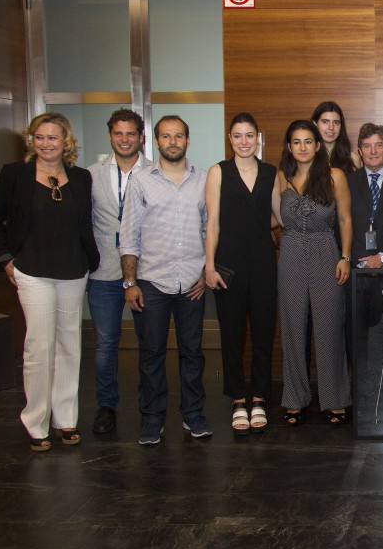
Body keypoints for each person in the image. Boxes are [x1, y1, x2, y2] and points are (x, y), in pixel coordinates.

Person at [0, 112, 100, 452]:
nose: (46, 143)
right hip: (32, 272)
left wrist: (90, 261)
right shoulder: (14, 174)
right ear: (32, 140)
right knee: (39, 347)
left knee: (69, 346)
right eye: (40, 137)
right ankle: (36, 422)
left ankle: (65, 419)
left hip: (73, 271)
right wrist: (6, 260)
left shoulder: (81, 178)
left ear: (66, 141)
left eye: (53, 137)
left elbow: (85, 223)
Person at [119, 115, 210, 445]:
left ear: (188, 140)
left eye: (179, 136)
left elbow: (210, 230)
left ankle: (193, 413)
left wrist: (206, 272)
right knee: (151, 354)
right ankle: (152, 417)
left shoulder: (204, 180)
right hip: (152, 282)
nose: (173, 142)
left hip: (193, 283)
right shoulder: (141, 182)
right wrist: (130, 283)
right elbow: (129, 235)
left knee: (192, 352)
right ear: (155, 141)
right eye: (166, 136)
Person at [274, 120, 354, 426]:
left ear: (318, 146)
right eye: (296, 142)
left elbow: (345, 220)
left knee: (329, 327)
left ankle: (336, 399)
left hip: (326, 251)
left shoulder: (335, 176)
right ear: (289, 146)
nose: (303, 147)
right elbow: (274, 217)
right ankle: (295, 399)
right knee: (292, 328)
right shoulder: (282, 176)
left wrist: (345, 256)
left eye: (308, 141)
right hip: (291, 252)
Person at [205, 113, 279, 436]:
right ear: (230, 139)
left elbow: (279, 216)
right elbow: (212, 222)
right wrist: (209, 266)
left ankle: (259, 397)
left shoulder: (271, 173)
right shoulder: (218, 172)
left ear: (257, 138)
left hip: (263, 263)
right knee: (232, 336)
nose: (244, 141)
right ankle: (237, 399)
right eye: (238, 136)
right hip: (228, 266)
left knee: (263, 334)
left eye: (249, 135)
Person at [87, 109, 147, 435]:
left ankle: (148, 404)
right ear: (110, 135)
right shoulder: (90, 175)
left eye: (130, 133)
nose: (124, 139)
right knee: (106, 343)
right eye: (118, 133)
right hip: (103, 271)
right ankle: (106, 406)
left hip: (145, 272)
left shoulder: (155, 172)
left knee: (148, 343)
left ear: (141, 137)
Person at [345, 123, 383, 364]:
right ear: (359, 151)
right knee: (356, 343)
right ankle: (359, 388)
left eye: (378, 145)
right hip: (356, 276)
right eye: (367, 146)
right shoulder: (346, 182)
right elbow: (340, 225)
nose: (373, 151)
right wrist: (357, 260)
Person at [312, 101, 360, 173]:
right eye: (325, 122)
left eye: (336, 122)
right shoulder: (307, 157)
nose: (331, 127)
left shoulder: (352, 159)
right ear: (315, 124)